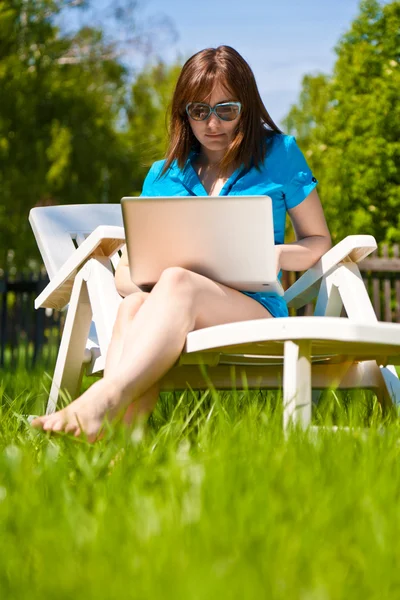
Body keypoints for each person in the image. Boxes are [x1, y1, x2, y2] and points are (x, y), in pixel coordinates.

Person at [32, 45, 331, 441]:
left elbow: (319, 240)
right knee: (135, 304)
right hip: (173, 312)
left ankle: (103, 399)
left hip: (254, 311)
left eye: (227, 110)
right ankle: (117, 450)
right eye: (199, 111)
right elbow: (126, 276)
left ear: (248, 107)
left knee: (177, 282)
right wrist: (145, 276)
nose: (213, 124)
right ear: (183, 113)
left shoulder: (280, 154)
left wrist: (276, 254)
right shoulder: (164, 174)